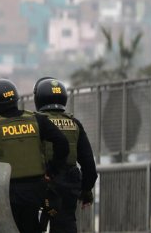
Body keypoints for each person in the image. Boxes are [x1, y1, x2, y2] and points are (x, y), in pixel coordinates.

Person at [0, 78, 68, 233]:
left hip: (4, 192)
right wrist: (52, 171)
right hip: (35, 190)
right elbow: (62, 143)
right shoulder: (37, 119)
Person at [32, 78, 96, 233]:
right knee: (66, 224)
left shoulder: (34, 123)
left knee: (30, 224)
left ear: (38, 98)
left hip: (40, 182)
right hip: (68, 184)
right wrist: (86, 191)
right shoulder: (74, 124)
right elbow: (89, 165)